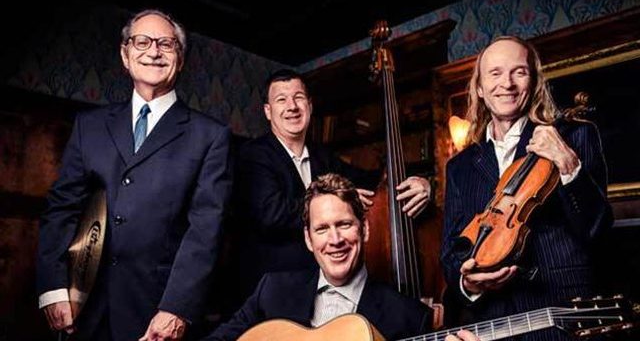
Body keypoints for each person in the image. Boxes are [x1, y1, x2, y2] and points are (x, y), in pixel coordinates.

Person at [36, 9, 233, 341]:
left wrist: (178, 307)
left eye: (166, 44)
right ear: (125, 56)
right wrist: (53, 288)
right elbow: (62, 208)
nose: (153, 51)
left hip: (156, 314)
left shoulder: (210, 136)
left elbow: (206, 230)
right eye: (142, 42)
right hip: (83, 304)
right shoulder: (89, 126)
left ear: (180, 60)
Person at [440, 36, 612, 340]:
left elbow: (598, 230)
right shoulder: (460, 166)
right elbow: (452, 252)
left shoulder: (574, 136)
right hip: (494, 322)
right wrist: (468, 284)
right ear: (479, 88)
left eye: (519, 72)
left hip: (562, 315)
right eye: (495, 73)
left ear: (533, 82)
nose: (506, 83)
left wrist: (568, 165)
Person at [226, 69, 432, 312]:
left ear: (310, 106)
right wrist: (334, 202)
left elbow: (372, 180)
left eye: (298, 97)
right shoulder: (252, 154)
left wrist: (421, 182)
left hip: (319, 290)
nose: (292, 106)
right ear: (268, 111)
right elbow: (271, 213)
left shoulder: (322, 155)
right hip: (274, 291)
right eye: (281, 100)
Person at [207, 174, 476, 341]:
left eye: (344, 224)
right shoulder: (272, 291)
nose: (335, 240)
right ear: (308, 239)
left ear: (364, 229)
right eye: (321, 229)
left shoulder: (410, 316)